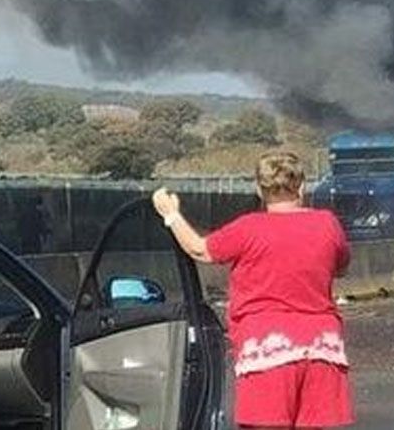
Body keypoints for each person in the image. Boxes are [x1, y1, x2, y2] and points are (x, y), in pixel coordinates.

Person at [152, 150, 354, 429]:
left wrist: (171, 214)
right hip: (322, 346)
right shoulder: (327, 224)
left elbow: (199, 250)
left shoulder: (248, 228)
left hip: (267, 346)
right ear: (302, 186)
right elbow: (340, 267)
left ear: (259, 189)